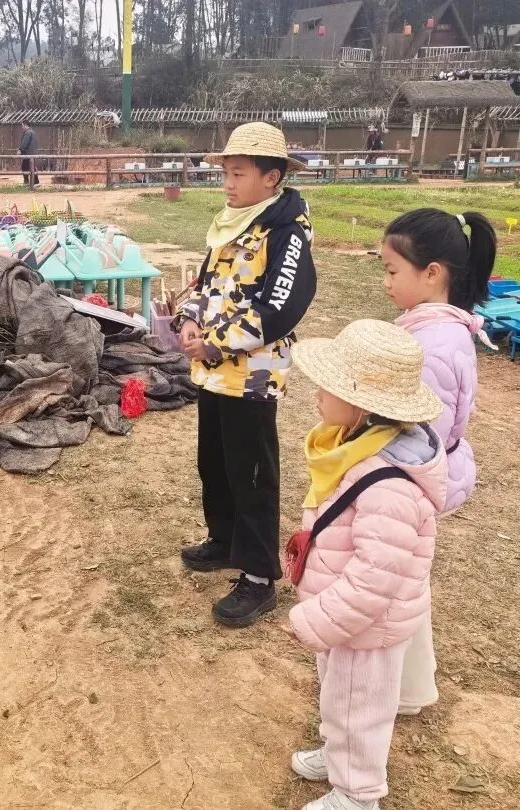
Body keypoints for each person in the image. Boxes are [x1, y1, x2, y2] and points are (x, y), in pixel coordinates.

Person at [286, 319, 446, 810]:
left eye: (328, 386)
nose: (317, 394)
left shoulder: (389, 485)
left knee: (360, 708)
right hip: (347, 616)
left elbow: (374, 580)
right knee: (340, 696)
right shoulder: (356, 450)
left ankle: (357, 794)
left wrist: (315, 619)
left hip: (366, 623)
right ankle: (340, 758)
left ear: (362, 406)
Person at [174, 122, 317, 627]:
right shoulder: (231, 224)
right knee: (214, 462)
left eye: (238, 174)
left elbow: (279, 309)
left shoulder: (287, 234)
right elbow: (205, 284)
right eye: (226, 174)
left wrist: (215, 343)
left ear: (271, 177)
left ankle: (258, 578)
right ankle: (223, 539)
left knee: (252, 474)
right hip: (212, 374)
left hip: (251, 378)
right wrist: (188, 319)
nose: (228, 184)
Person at [381, 209, 497, 716]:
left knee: (392, 589)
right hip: (417, 476)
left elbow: (418, 435)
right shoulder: (438, 330)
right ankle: (411, 688)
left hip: (407, 483)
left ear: (432, 273)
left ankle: (387, 692)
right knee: (407, 584)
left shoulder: (429, 346)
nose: (385, 282)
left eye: (392, 271)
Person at [18, 121, 39, 188]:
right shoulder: (33, 132)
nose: (22, 127)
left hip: (28, 154)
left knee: (24, 167)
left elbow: (25, 143)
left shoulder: (27, 133)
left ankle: (26, 182)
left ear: (25, 125)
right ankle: (36, 181)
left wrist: (20, 150)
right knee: (32, 167)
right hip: (32, 153)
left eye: (22, 125)